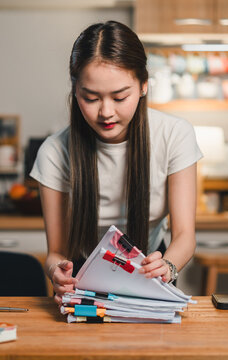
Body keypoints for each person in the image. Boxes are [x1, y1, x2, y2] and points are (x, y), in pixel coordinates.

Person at [30, 21, 202, 304]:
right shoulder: (54, 152)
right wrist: (56, 272)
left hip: (151, 274)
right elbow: (56, 252)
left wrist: (167, 267)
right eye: (91, 97)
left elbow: (184, 236)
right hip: (82, 281)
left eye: (120, 96)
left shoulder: (174, 135)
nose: (106, 112)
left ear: (144, 85)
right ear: (75, 91)